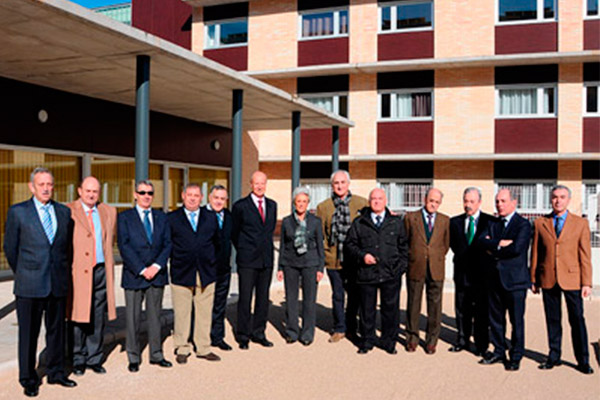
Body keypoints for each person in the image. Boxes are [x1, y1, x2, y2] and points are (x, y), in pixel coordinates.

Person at [4, 167, 76, 397]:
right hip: (29, 284)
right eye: (41, 184)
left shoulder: (64, 213)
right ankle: (28, 377)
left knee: (56, 331)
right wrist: (25, 271)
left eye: (49, 184)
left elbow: (67, 249)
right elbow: (10, 248)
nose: (46, 188)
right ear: (31, 186)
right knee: (28, 333)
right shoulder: (18, 212)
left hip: (57, 282)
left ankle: (56, 372)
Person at [531, 185, 594, 374]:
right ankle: (554, 356)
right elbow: (535, 253)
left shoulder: (580, 224)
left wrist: (586, 282)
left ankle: (583, 360)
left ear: (569, 200)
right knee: (553, 320)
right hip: (548, 277)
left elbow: (585, 255)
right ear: (551, 200)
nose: (558, 200)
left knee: (577, 320)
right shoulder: (540, 223)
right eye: (555, 197)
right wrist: (533, 278)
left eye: (562, 197)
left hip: (572, 279)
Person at [344, 188, 408, 355]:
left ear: (386, 201)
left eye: (380, 198)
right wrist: (362, 256)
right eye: (373, 199)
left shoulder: (396, 223)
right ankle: (367, 341)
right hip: (367, 274)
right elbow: (349, 245)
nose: (377, 201)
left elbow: (404, 248)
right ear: (369, 201)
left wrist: (399, 269)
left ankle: (389, 342)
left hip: (390, 274)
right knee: (367, 310)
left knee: (390, 310)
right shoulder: (359, 222)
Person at [117, 180, 172, 372]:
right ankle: (133, 356)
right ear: (135, 194)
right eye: (142, 192)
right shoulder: (124, 218)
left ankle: (156, 354)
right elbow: (124, 246)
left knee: (155, 316)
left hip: (157, 274)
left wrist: (156, 266)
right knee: (132, 318)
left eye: (149, 192)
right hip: (134, 274)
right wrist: (142, 269)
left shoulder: (161, 217)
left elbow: (167, 244)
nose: (146, 196)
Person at [68, 176, 117, 376]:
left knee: (97, 316)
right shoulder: (68, 210)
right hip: (78, 272)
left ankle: (94, 357)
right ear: (80, 191)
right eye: (88, 190)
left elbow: (110, 241)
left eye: (95, 191)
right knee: (79, 316)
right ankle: (77, 358)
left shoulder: (108, 211)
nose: (91, 194)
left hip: (100, 270)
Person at [478, 189, 531, 371]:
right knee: (496, 319)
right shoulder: (493, 223)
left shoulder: (523, 224)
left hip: (515, 282)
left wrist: (493, 247)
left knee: (516, 321)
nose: (499, 204)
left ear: (514, 202)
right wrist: (500, 243)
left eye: (503, 201)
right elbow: (480, 242)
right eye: (497, 201)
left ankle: (516, 355)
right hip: (494, 279)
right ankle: (499, 350)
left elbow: (517, 248)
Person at [168, 183, 220, 364]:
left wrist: (214, 264)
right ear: (183, 196)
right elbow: (168, 244)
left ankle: (203, 347)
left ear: (201, 198)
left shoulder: (211, 217)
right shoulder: (172, 218)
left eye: (196, 195)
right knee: (182, 312)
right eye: (189, 194)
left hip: (206, 271)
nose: (192, 198)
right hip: (182, 271)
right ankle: (182, 346)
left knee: (204, 312)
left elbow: (217, 244)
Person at [316, 170, 368, 344]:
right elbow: (320, 234)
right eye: (336, 183)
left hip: (354, 259)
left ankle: (352, 328)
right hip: (334, 259)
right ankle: (339, 328)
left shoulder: (362, 203)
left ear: (348, 184)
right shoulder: (324, 207)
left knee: (354, 295)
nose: (339, 186)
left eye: (342, 182)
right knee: (338, 295)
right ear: (332, 185)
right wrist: (325, 253)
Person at [232, 171, 277, 349]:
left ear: (266, 184)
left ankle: (259, 332)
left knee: (263, 298)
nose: (259, 186)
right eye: (256, 183)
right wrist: (244, 250)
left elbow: (269, 230)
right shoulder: (240, 206)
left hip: (266, 260)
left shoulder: (272, 205)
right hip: (247, 260)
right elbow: (234, 233)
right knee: (245, 298)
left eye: (263, 183)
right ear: (251, 184)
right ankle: (243, 336)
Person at [448, 187, 494, 356]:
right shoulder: (454, 223)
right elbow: (453, 245)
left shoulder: (490, 222)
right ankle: (462, 340)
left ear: (479, 202)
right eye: (465, 201)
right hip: (462, 274)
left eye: (472, 202)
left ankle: (482, 345)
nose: (468, 205)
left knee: (482, 311)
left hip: (482, 276)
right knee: (461, 309)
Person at [277, 187, 325, 346]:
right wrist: (280, 268)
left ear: (308, 203)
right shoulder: (286, 222)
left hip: (310, 263)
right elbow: (283, 245)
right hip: (290, 263)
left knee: (309, 300)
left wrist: (320, 268)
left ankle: (307, 333)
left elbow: (320, 246)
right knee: (291, 299)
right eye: (298, 201)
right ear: (294, 203)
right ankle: (291, 331)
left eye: (304, 201)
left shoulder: (315, 221)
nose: (301, 204)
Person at [404, 188, 450, 355]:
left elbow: (445, 245)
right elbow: (406, 241)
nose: (433, 204)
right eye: (431, 200)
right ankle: (411, 338)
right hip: (416, 266)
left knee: (435, 307)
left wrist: (433, 256)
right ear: (425, 199)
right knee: (413, 304)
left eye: (437, 202)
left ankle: (431, 341)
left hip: (436, 268)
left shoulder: (445, 221)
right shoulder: (411, 218)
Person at [208, 185, 234, 351]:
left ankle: (217, 337)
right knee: (203, 305)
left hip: (223, 268)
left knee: (219, 304)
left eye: (222, 199)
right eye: (216, 198)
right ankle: (199, 337)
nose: (219, 201)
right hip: (205, 268)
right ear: (210, 198)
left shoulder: (229, 216)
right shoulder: (202, 215)